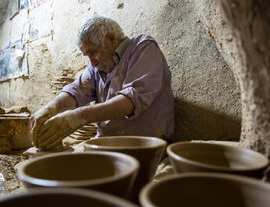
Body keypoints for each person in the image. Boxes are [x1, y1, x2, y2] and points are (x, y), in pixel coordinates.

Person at [31, 15, 174, 150]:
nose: (92, 62)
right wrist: (50, 109)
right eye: (87, 55)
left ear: (112, 39)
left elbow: (131, 101)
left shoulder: (143, 48)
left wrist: (77, 117)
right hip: (106, 145)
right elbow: (77, 90)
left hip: (145, 147)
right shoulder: (98, 66)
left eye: (93, 52)